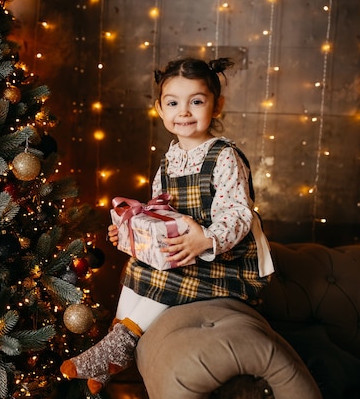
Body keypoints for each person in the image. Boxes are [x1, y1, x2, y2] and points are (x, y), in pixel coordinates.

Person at [60, 57, 275, 394]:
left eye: (197, 101)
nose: (184, 111)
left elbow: (239, 215)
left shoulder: (224, 156)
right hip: (183, 250)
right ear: (160, 109)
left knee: (167, 273)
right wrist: (131, 235)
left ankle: (118, 346)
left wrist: (205, 240)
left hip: (224, 261)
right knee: (138, 266)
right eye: (173, 103)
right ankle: (113, 347)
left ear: (217, 106)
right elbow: (159, 214)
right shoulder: (170, 160)